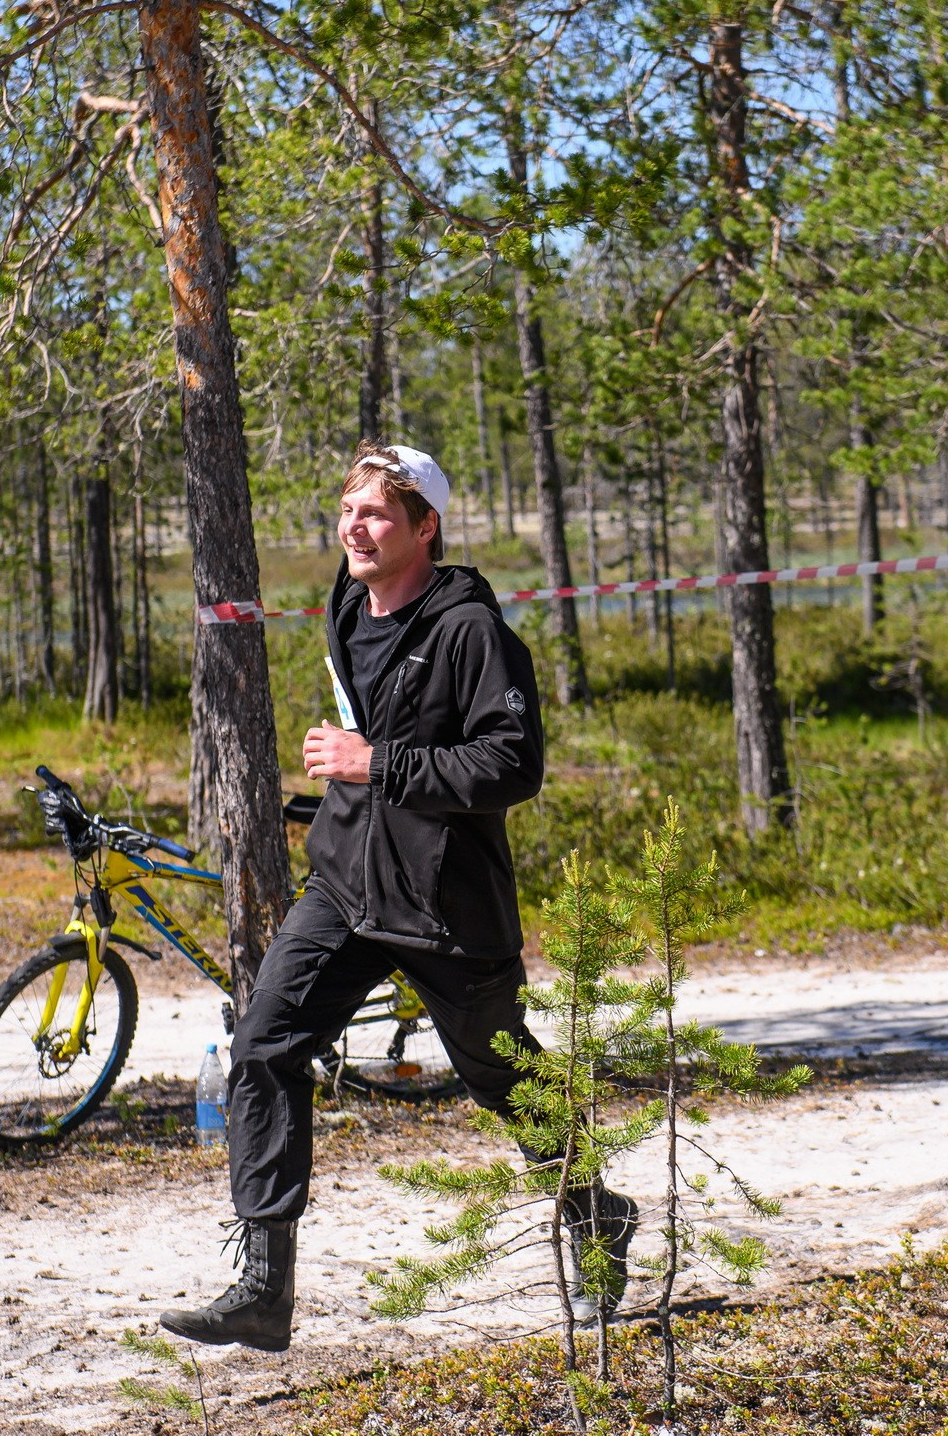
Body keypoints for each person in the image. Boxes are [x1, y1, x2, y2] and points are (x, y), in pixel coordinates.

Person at [161, 441, 636, 1353]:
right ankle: (263, 1288)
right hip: (347, 878)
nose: (355, 527)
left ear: (426, 527)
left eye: (377, 513)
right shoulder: (347, 603)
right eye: (348, 511)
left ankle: (595, 1213)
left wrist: (378, 763)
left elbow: (513, 762)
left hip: (443, 898)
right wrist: (349, 787)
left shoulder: (471, 632)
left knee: (501, 1076)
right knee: (264, 1045)